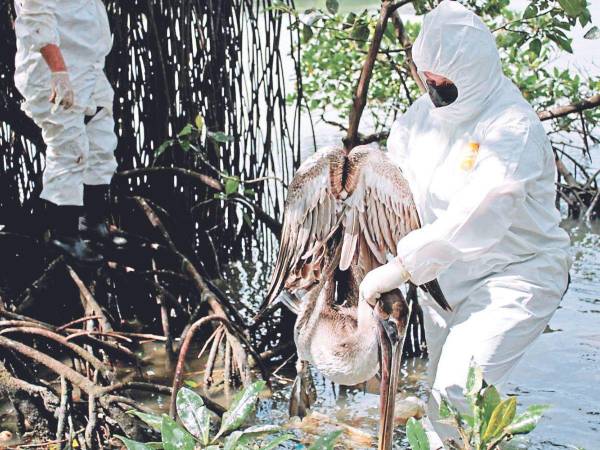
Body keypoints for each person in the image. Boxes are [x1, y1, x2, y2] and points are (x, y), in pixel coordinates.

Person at [358, 1, 571, 447]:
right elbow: (397, 194)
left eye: (443, 85)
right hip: (443, 283)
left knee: (455, 392)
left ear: (472, 74)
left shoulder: (512, 126)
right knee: (450, 408)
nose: (432, 92)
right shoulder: (418, 120)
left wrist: (400, 268)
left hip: (516, 276)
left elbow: (480, 213)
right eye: (426, 80)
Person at [14, 0, 117, 261]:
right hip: (53, 74)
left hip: (89, 68)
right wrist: (59, 71)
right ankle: (65, 235)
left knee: (101, 140)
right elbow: (35, 17)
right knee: (68, 147)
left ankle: (93, 224)